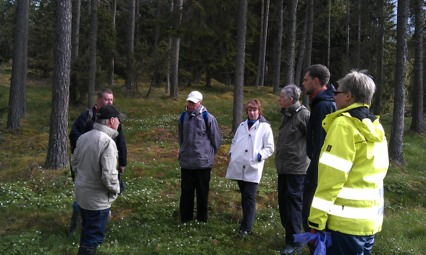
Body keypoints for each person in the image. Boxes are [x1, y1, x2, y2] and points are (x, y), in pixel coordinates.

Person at [308, 70, 389, 254]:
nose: (334, 97)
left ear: (348, 96)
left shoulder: (343, 126)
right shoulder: (376, 127)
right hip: (369, 224)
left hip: (344, 226)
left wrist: (316, 221)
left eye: (336, 93)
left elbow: (330, 180)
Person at [68, 88, 127, 235]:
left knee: (98, 197)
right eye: (107, 99)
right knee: (85, 198)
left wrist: (122, 162)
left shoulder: (114, 119)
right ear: (98, 100)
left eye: (111, 100)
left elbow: (121, 140)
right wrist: (86, 149)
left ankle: (96, 227)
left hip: (106, 163)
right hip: (87, 166)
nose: (109, 102)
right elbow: (74, 134)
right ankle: (76, 228)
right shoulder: (88, 116)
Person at [71, 105, 123, 255]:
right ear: (112, 121)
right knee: (92, 239)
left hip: (82, 196)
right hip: (97, 201)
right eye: (118, 120)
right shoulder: (107, 143)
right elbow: (108, 176)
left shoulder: (83, 137)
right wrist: (116, 189)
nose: (119, 123)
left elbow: (74, 163)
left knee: (86, 234)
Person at [226, 99, 275, 238]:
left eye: (255, 110)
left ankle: (246, 227)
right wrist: (232, 152)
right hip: (239, 165)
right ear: (247, 112)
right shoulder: (242, 126)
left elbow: (270, 148)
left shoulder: (265, 127)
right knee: (244, 195)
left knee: (249, 196)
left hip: (253, 167)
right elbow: (235, 141)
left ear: (259, 111)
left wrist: (260, 155)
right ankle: (246, 220)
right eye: (250, 110)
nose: (252, 113)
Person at [275, 85, 310, 254]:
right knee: (284, 204)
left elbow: (313, 140)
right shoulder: (287, 115)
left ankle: (294, 241)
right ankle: (291, 236)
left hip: (297, 170)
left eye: (281, 97)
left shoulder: (303, 115)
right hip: (284, 168)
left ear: (290, 99)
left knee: (293, 205)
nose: (279, 99)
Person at [301, 64, 336, 234]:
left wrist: (314, 175)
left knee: (310, 216)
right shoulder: (320, 104)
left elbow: (322, 145)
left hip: (318, 173)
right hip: (317, 169)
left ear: (316, 81)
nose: (303, 83)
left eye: (306, 80)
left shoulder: (323, 106)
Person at [178, 91, 222, 223]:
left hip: (203, 164)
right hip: (186, 163)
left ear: (200, 102)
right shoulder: (182, 117)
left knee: (202, 193)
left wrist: (208, 154)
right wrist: (183, 150)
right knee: (186, 192)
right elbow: (181, 137)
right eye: (189, 102)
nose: (190, 104)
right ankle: (185, 218)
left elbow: (216, 139)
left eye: (193, 102)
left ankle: (202, 219)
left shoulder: (208, 118)